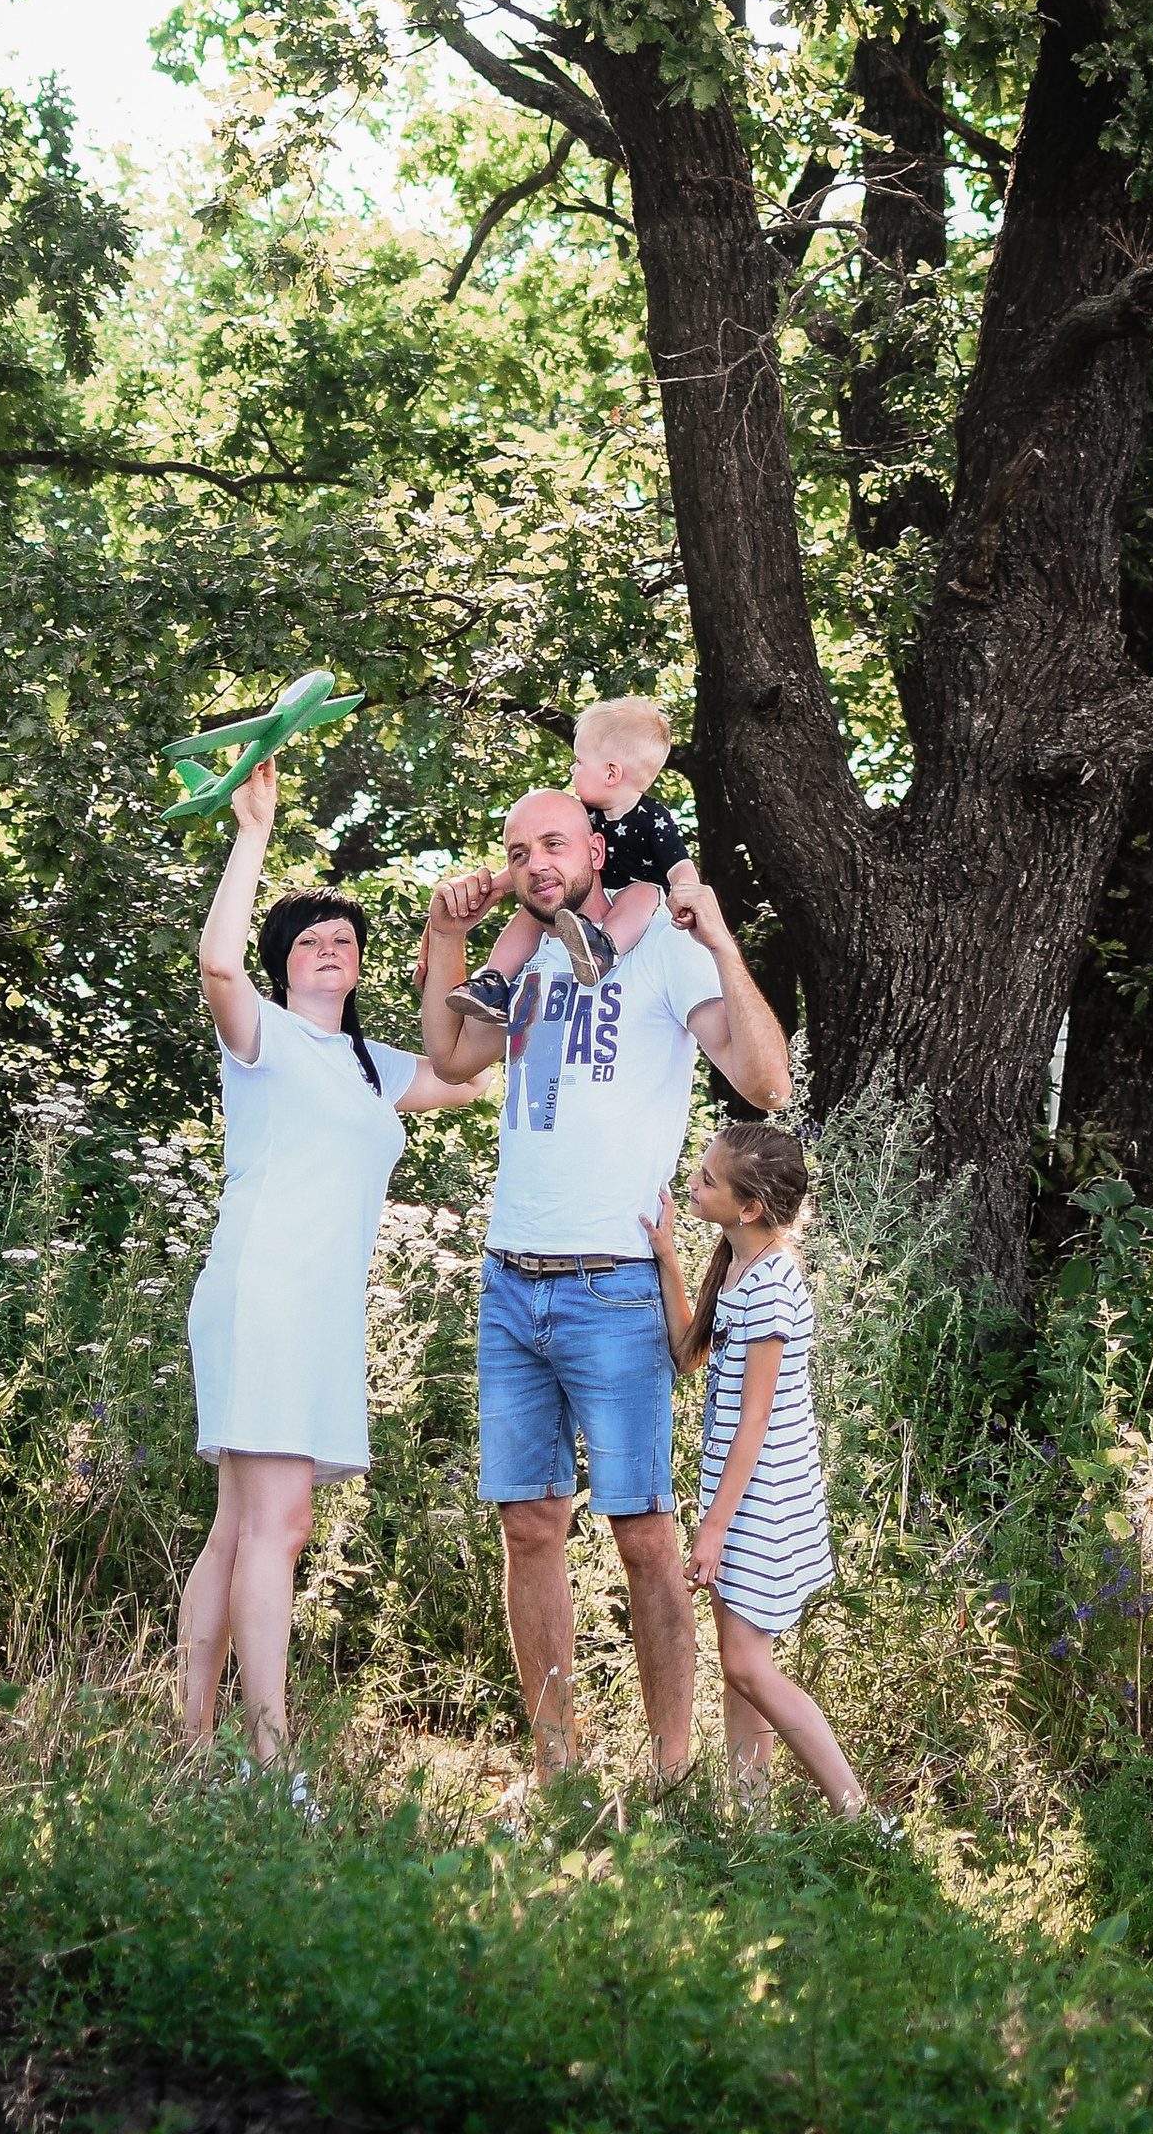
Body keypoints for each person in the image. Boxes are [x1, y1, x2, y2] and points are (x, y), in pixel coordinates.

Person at [419, 785, 793, 1784]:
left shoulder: (664, 954)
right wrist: (443, 935)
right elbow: (451, 1058)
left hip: (617, 1285)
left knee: (642, 1534)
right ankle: (555, 1773)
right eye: (516, 849)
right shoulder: (527, 961)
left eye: (553, 841)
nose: (537, 861)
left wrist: (719, 938)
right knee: (528, 1525)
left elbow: (768, 1084)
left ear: (596, 844)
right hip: (510, 1283)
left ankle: (671, 1775)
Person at [178, 756, 489, 1767]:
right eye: (308, 941)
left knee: (243, 1528)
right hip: (263, 1289)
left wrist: (479, 941)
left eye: (343, 942)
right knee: (281, 1522)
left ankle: (190, 1743)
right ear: (284, 964)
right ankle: (270, 1766)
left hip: (316, 1310)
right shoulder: (259, 1034)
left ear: (360, 965)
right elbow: (217, 967)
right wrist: (252, 831)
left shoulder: (369, 1064)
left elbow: (471, 1073)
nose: (328, 950)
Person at [645, 1125, 863, 1819]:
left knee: (745, 1666)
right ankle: (756, 1822)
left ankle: (857, 1809)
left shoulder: (772, 1286)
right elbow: (688, 1355)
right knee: (741, 1669)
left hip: (764, 1497)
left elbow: (756, 1420)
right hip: (736, 1491)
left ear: (750, 1208)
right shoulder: (735, 1264)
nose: (693, 1183)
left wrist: (712, 1530)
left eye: (708, 1180)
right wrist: (668, 1259)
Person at [444, 695, 701, 1015]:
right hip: (592, 893)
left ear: (611, 774)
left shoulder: (652, 818)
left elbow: (679, 865)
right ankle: (494, 980)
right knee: (533, 908)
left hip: (635, 898)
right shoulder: (586, 815)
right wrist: (495, 887)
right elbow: (540, 863)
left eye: (579, 761)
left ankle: (602, 951)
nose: (571, 768)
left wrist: (690, 894)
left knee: (642, 892)